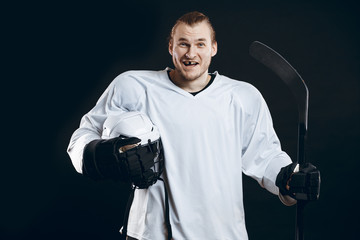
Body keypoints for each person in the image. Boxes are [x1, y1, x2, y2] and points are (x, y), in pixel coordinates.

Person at [67, 11, 320, 240]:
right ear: (171, 47)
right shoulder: (132, 87)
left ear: (214, 48)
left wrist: (288, 177)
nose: (191, 53)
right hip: (151, 234)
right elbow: (82, 138)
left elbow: (264, 157)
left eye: (200, 44)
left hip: (222, 234)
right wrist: (100, 154)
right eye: (183, 44)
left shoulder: (243, 96)